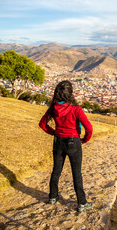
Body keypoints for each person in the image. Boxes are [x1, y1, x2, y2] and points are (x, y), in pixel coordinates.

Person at [39, 80, 93, 213]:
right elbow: (89, 129)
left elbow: (42, 124)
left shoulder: (53, 108)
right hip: (73, 142)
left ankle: (52, 196)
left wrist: (55, 133)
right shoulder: (76, 110)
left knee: (56, 171)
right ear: (70, 94)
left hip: (58, 141)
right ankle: (81, 202)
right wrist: (84, 140)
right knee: (76, 174)